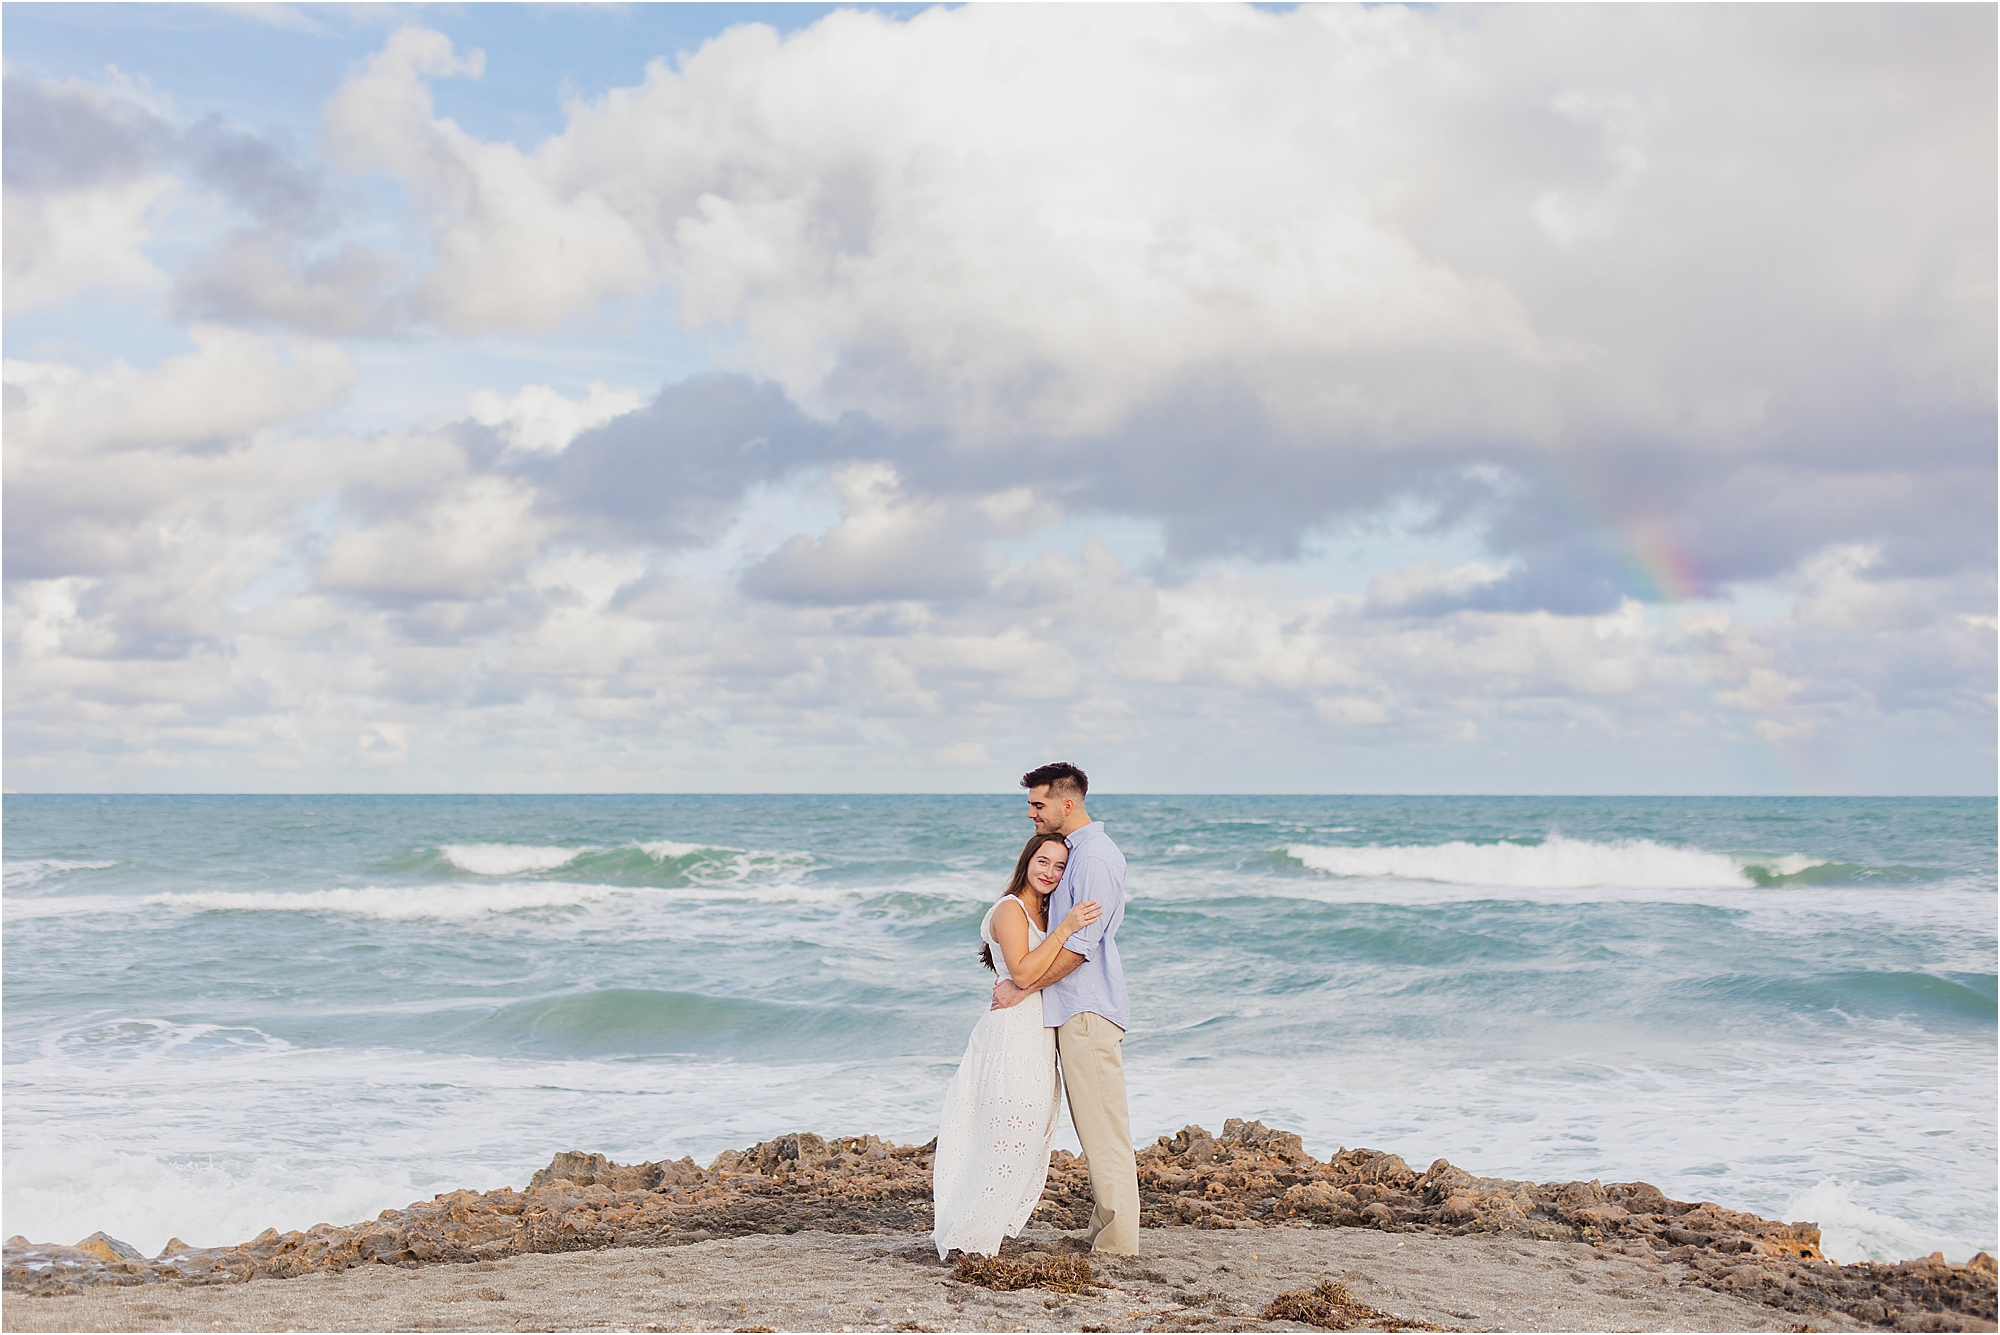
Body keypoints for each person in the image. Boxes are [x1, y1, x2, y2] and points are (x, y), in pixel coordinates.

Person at [930, 832, 1102, 1258]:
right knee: (1005, 1131)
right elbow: (1023, 973)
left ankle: (983, 1228)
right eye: (1043, 861)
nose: (1050, 872)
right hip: (1010, 1033)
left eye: (1060, 866)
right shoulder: (1011, 909)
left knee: (1024, 1133)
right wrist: (1066, 928)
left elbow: (1038, 974)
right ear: (1027, 861)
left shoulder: (1045, 912)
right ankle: (970, 1233)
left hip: (1036, 1033)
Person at [992, 761, 1138, 1255]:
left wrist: (1024, 987)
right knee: (1095, 1125)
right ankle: (1104, 1230)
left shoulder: (1094, 857)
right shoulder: (1077, 853)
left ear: (1066, 804)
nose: (1031, 813)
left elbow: (1081, 947)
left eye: (1038, 805)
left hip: (1087, 1010)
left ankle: (1118, 1243)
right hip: (1073, 1009)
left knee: (1104, 1129)